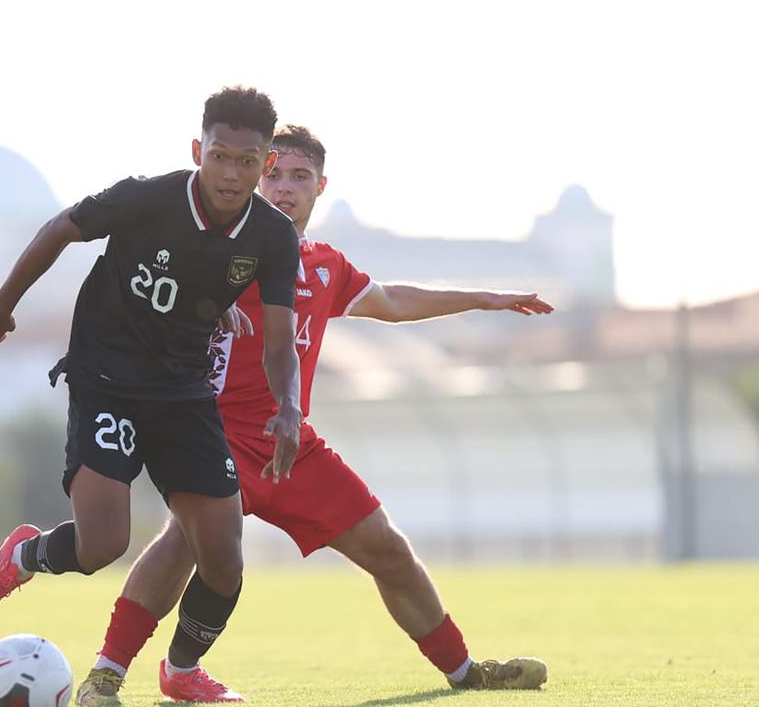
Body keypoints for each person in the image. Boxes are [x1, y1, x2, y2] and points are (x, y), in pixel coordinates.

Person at [75, 125, 552, 706]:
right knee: (183, 542)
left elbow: (394, 300)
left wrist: (483, 298)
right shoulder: (223, 247)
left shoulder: (324, 266)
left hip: (288, 442)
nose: (284, 188)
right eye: (273, 174)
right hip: (209, 428)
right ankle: (105, 676)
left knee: (388, 550)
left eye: (299, 177)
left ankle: (464, 671)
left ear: (321, 187)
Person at [0, 88, 303, 687]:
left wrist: (289, 409)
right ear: (199, 150)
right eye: (219, 156)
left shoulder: (272, 237)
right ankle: (22, 556)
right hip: (106, 380)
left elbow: (279, 344)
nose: (231, 173)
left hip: (183, 393)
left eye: (247, 162)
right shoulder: (147, 197)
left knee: (224, 558)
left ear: (265, 165)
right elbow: (62, 227)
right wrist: (2, 303)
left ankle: (181, 671)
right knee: (102, 546)